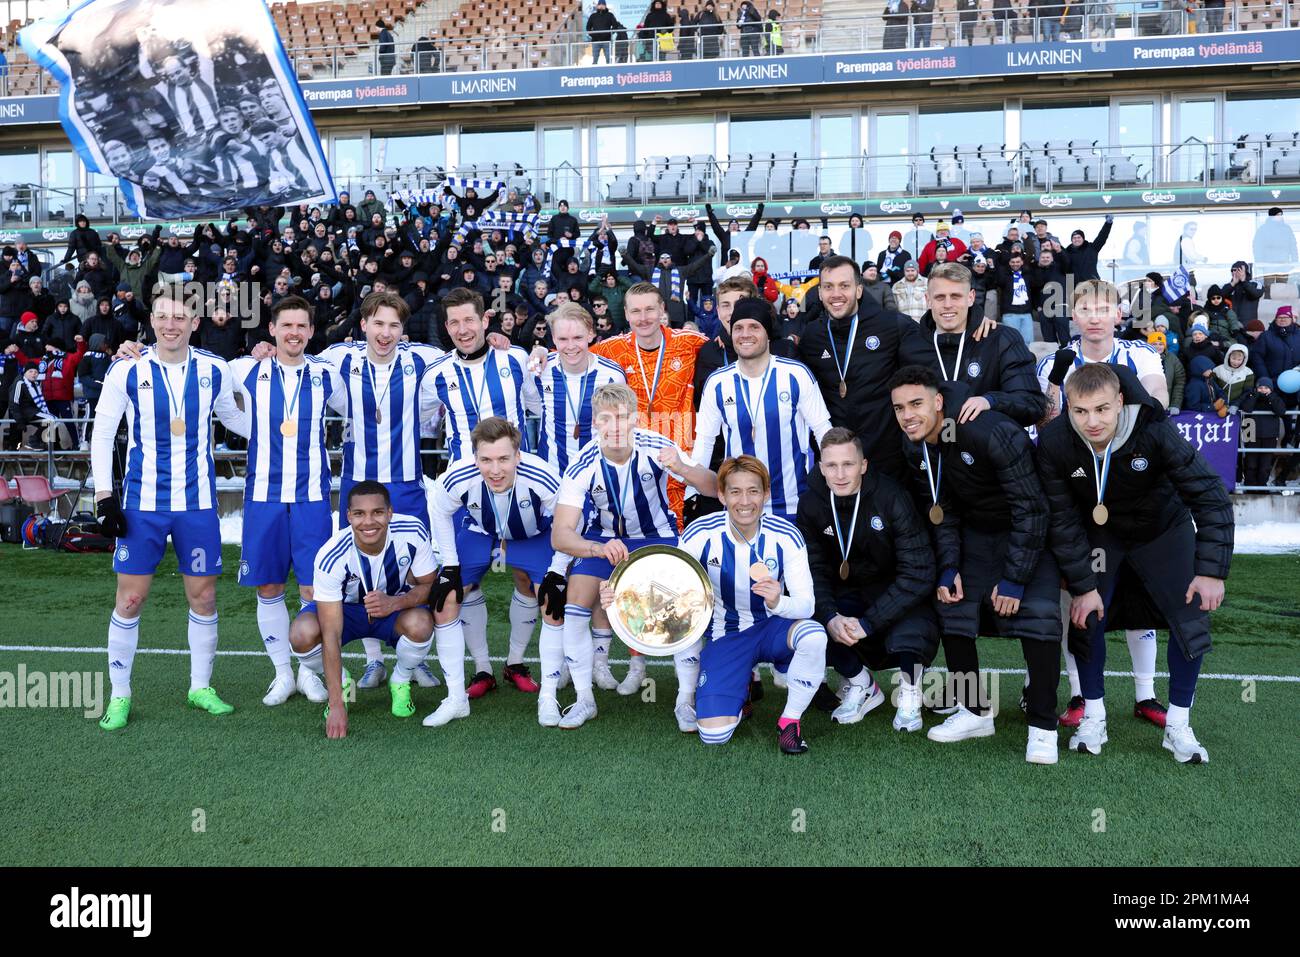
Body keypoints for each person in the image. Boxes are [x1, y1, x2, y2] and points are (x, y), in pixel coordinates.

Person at [1037, 363, 1233, 763]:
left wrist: (1211, 570)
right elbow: (1060, 518)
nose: (1092, 421)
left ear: (1120, 402)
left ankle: (1178, 724)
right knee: (1085, 616)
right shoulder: (1055, 441)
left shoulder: (1155, 431)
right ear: (1067, 408)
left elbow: (1211, 496)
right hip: (1099, 534)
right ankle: (1094, 715)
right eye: (1081, 411)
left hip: (1162, 527)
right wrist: (1083, 585)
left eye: (1102, 410)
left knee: (1190, 614)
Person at [90, 288, 250, 731]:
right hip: (142, 506)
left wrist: (279, 423)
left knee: (203, 597)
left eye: (180, 316)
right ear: (152, 322)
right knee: (132, 598)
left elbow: (235, 420)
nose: (171, 324)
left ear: (194, 322)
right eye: (163, 316)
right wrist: (105, 497)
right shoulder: (127, 369)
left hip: (197, 505)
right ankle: (120, 694)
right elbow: (103, 434)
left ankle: (200, 686)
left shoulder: (214, 370)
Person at [890, 365, 1064, 764]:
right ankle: (974, 711)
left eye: (916, 403)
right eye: (899, 408)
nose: (908, 415)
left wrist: (1015, 579)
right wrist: (949, 566)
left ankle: (1042, 726)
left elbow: (1032, 509)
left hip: (1028, 531)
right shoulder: (913, 444)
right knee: (951, 603)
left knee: (1038, 618)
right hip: (976, 533)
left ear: (938, 402)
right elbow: (944, 509)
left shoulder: (988, 430)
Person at [624, 455, 829, 753]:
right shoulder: (700, 533)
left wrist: (777, 601)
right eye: (735, 491)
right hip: (727, 633)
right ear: (721, 495)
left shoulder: (786, 535)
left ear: (766, 494)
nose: (745, 501)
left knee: (814, 636)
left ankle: (790, 721)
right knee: (714, 734)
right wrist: (622, 597)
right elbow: (672, 588)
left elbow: (806, 605)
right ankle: (740, 685)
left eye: (753, 491)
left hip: (774, 626)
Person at [1036, 279, 1170, 728]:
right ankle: (1079, 695)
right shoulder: (1056, 361)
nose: (1095, 316)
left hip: (1133, 495)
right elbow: (1048, 423)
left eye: (1104, 308)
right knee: (1076, 596)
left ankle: (1146, 693)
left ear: (1118, 315)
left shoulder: (1141, 355)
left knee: (1138, 596)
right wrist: (1056, 386)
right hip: (1078, 496)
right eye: (1086, 308)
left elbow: (1158, 405)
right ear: (1073, 315)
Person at [551, 383, 715, 729]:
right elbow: (561, 534)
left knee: (684, 601)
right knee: (576, 598)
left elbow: (714, 487)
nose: (614, 427)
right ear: (595, 423)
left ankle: (685, 701)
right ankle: (584, 699)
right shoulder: (582, 464)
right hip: (604, 539)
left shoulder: (657, 446)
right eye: (606, 419)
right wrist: (596, 548)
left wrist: (683, 468)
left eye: (622, 418)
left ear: (636, 420)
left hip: (657, 536)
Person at [226, 297, 350, 706]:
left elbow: (360, 402)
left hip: (312, 496)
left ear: (311, 332)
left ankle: (309, 672)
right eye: (286, 326)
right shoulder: (247, 369)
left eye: (301, 326)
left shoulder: (327, 374)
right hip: (263, 497)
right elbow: (204, 380)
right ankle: (282, 673)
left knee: (314, 588)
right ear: (273, 331)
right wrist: (251, 427)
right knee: (269, 586)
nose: (294, 333)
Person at [429, 417, 572, 725]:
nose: (495, 470)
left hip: (531, 536)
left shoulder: (542, 475)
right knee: (446, 599)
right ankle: (459, 695)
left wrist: (557, 572)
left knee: (552, 600)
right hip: (481, 533)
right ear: (475, 457)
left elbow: (570, 520)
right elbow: (439, 509)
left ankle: (546, 694)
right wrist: (451, 565)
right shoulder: (458, 476)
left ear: (518, 455)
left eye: (504, 459)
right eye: (486, 460)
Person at [796, 428, 939, 731]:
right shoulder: (810, 505)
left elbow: (918, 572)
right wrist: (831, 615)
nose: (840, 474)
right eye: (831, 466)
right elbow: (814, 572)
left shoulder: (892, 497)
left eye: (848, 464)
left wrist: (869, 623)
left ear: (863, 465)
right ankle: (862, 685)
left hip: (895, 587)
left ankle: (911, 692)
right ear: (821, 468)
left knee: (914, 621)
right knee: (809, 617)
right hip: (848, 590)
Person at [290, 483, 438, 739]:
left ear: (390, 513)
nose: (368, 522)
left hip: (393, 607)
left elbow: (429, 585)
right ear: (348, 516)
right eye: (359, 514)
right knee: (302, 635)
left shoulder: (412, 531)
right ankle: (343, 684)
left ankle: (400, 679)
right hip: (344, 610)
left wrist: (394, 603)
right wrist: (336, 704)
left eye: (377, 512)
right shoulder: (331, 555)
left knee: (422, 624)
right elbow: (331, 634)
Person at [798, 256, 937, 480]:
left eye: (844, 286)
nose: (836, 294)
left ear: (859, 290)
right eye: (828, 287)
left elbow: (935, 350)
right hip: (839, 464)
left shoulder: (892, 325)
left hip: (887, 459)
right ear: (820, 292)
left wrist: (974, 322)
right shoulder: (812, 335)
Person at [920, 263, 1046, 427]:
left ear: (971, 297)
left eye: (956, 296)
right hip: (928, 450)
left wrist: (991, 401)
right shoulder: (911, 343)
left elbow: (1032, 404)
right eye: (939, 297)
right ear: (928, 300)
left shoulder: (1002, 339)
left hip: (984, 450)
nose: (948, 304)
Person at [534, 302, 627, 474]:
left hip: (598, 473)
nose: (570, 346)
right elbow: (532, 405)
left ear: (591, 334)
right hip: (552, 472)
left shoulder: (612, 376)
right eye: (563, 339)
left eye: (577, 338)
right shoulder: (539, 371)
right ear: (553, 338)